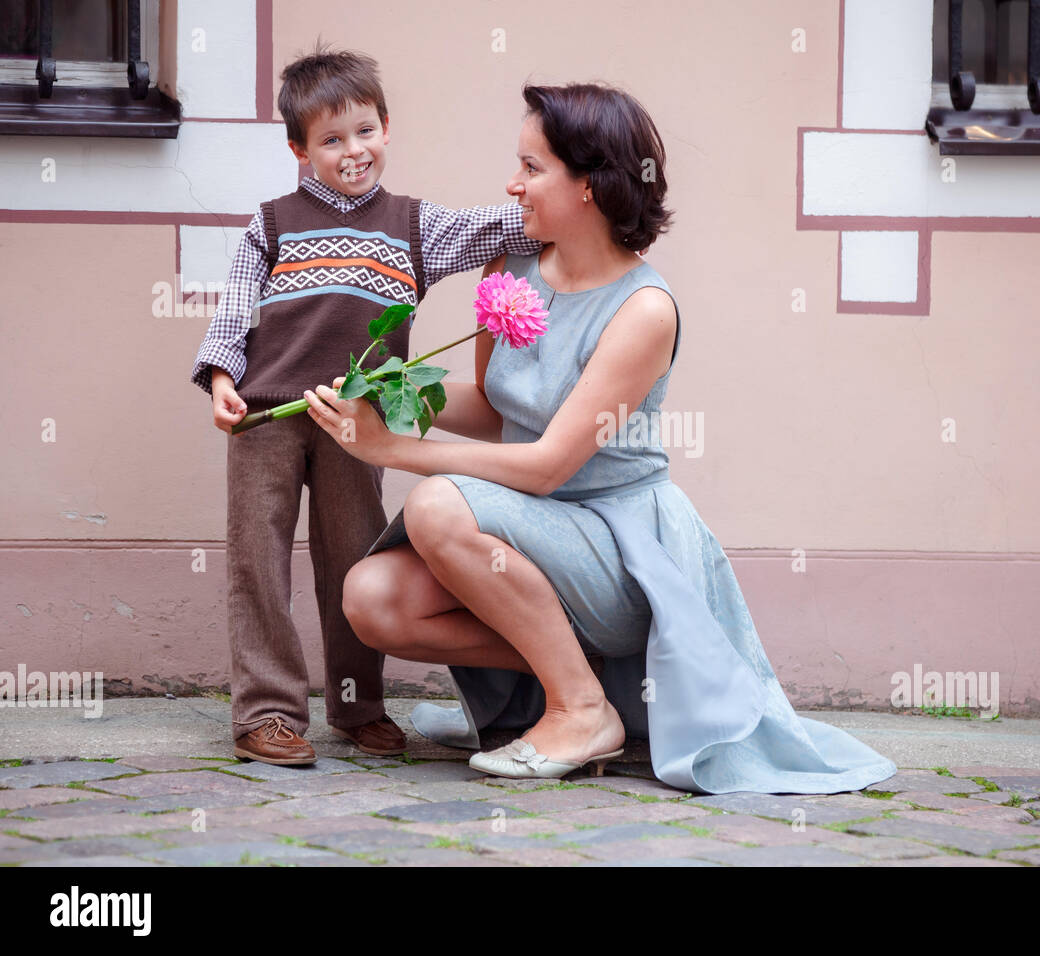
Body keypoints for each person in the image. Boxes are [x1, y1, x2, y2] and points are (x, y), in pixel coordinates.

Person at [302, 82, 897, 794]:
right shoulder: (511, 269)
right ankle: (594, 684)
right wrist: (387, 400)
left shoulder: (644, 309)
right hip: (528, 534)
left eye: (532, 167)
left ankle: (580, 711)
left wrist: (395, 451)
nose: (512, 184)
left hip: (616, 548)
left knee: (434, 504)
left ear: (589, 185)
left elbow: (551, 465)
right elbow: (497, 408)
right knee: (371, 598)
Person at [190, 45, 541, 765]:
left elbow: (497, 230)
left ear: (386, 127)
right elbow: (234, 312)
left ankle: (356, 706)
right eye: (330, 139)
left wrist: (551, 200)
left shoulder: (415, 226)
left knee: (353, 559)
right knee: (258, 561)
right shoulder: (272, 223)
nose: (352, 151)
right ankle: (266, 712)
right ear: (299, 150)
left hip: (360, 421)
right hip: (267, 417)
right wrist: (222, 380)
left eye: (363, 131)